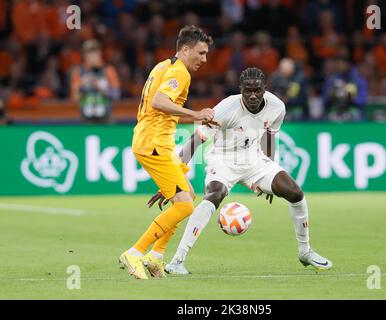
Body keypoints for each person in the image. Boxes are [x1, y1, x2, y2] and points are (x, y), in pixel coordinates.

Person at [148, 67, 332, 275]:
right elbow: (195, 140)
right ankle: (177, 261)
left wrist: (269, 172)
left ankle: (305, 251)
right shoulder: (226, 109)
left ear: (265, 89)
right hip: (223, 159)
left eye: (257, 90)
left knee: (295, 193)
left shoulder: (277, 107)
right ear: (240, 90)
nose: (253, 95)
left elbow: (270, 135)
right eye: (247, 91)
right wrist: (175, 178)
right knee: (214, 195)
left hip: (254, 159)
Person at [119, 25, 216, 280]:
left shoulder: (162, 65)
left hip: (153, 139)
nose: (204, 59)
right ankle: (135, 253)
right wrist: (196, 114)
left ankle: (156, 256)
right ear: (185, 50)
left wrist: (195, 120)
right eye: (201, 52)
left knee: (187, 196)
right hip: (154, 143)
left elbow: (163, 111)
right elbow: (159, 102)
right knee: (184, 207)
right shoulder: (180, 73)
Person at [70, 39, 120, 123]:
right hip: (85, 119)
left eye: (95, 52)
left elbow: (116, 94)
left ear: (100, 53)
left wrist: (100, 86)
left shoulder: (108, 70)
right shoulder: (78, 72)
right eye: (89, 52)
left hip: (106, 118)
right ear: (84, 55)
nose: (93, 56)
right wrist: (83, 84)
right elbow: (74, 98)